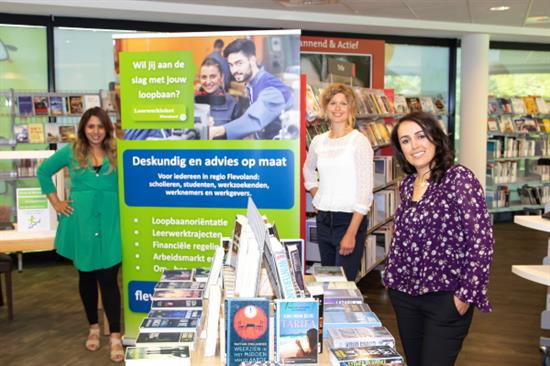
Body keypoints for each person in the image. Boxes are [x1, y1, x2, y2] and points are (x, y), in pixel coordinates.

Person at [383, 111, 494, 366]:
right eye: (406, 140)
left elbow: (482, 241)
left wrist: (466, 294)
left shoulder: (459, 178)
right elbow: (402, 236)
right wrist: (391, 273)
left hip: (446, 296)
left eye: (421, 136)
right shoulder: (408, 183)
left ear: (436, 137)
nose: (415, 145)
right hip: (404, 295)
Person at [37, 107, 124, 363]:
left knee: (109, 278)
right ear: (83, 129)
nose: (95, 132)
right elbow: (43, 172)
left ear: (107, 128)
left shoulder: (117, 152)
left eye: (100, 126)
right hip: (82, 223)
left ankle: (116, 335)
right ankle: (93, 327)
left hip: (111, 222)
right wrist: (56, 203)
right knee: (86, 276)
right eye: (90, 127)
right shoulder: (72, 152)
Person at [303, 83, 373, 281]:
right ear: (326, 108)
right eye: (333, 103)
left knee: (344, 286)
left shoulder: (359, 142)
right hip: (324, 220)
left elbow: (365, 191)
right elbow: (308, 169)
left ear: (351, 108)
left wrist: (351, 233)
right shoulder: (318, 141)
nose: (338, 108)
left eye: (343, 103)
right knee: (327, 281)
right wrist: (317, 196)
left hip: (349, 221)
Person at [209, 38, 293, 140]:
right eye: (231, 65)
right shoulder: (252, 83)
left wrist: (216, 131)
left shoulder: (271, 87)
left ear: (252, 60)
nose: (234, 70)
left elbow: (253, 120)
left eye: (239, 63)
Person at [194, 57, 242, 128]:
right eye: (204, 77)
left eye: (212, 76)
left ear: (221, 77)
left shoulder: (233, 104)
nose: (208, 82)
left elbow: (238, 134)